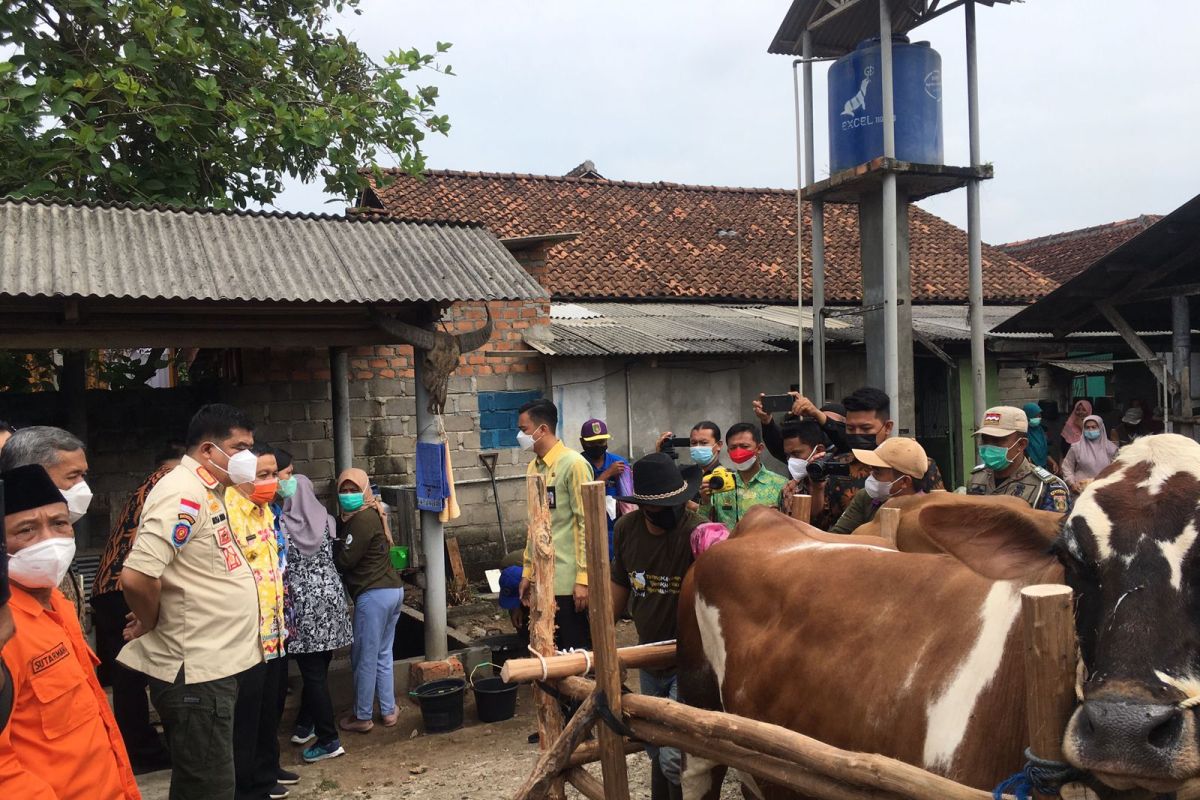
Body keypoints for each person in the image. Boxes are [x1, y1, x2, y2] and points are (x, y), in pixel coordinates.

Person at [118, 403, 263, 800]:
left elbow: (185, 572)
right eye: (240, 447)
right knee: (209, 789)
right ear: (207, 451)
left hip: (212, 665)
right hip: (196, 671)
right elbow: (137, 575)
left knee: (201, 785)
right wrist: (149, 620)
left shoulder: (208, 490)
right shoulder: (183, 494)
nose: (248, 458)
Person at [0, 463, 139, 799]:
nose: (50, 540)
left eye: (59, 523)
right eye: (26, 530)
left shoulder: (59, 605)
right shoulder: (5, 630)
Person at [611, 453, 704, 800]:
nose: (675, 510)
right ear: (645, 508)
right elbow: (619, 584)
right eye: (665, 506)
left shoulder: (696, 532)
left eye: (678, 503)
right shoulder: (626, 530)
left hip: (688, 660)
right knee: (654, 741)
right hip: (648, 655)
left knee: (672, 756)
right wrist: (604, 647)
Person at [90, 443, 183, 774]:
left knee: (126, 676)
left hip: (107, 588)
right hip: (133, 587)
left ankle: (137, 747)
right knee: (150, 672)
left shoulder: (143, 485)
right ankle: (143, 751)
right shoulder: (174, 483)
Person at [227, 446, 293, 800]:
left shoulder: (267, 512)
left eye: (273, 474)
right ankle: (246, 785)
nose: (272, 482)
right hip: (247, 636)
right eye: (263, 475)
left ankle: (267, 773)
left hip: (275, 631)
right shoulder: (228, 513)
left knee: (271, 707)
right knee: (246, 716)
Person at [279, 470, 352, 764]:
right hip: (331, 602)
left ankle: (328, 739)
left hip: (304, 608)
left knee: (312, 676)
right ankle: (305, 724)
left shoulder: (283, 525)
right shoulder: (326, 520)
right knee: (318, 671)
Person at [517, 399, 593, 651]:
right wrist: (527, 571)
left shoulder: (574, 465)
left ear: (543, 430)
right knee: (547, 652)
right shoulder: (533, 468)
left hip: (569, 583)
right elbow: (534, 526)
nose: (521, 435)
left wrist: (583, 578)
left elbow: (587, 524)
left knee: (576, 655)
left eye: (525, 429)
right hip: (542, 580)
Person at [810, 387, 944, 530]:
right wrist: (817, 488)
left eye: (866, 428)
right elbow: (819, 528)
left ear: (887, 427)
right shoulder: (834, 467)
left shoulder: (921, 465)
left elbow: (941, 516)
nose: (857, 434)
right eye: (850, 428)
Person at [334, 468, 403, 734]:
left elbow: (346, 560)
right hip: (391, 591)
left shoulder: (361, 520)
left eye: (354, 490)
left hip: (373, 595)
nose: (348, 495)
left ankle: (362, 715)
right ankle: (388, 710)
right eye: (344, 490)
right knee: (383, 653)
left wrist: (334, 553)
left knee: (364, 656)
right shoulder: (372, 513)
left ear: (364, 491)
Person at [0, 426, 92, 624]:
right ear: (32, 475)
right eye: (72, 476)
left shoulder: (64, 537)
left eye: (83, 475)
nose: (82, 487)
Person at [967, 406, 1072, 513]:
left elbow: (1055, 527)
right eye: (985, 440)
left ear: (1021, 444)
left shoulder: (1048, 488)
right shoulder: (976, 479)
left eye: (997, 440)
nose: (989, 446)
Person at [829, 438, 929, 534]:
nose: (870, 476)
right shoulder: (866, 497)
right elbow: (836, 537)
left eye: (877, 472)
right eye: (871, 470)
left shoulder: (926, 514)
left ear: (904, 481)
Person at [710, 422, 787, 528]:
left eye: (744, 446)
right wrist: (705, 501)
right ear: (728, 451)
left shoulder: (780, 485)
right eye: (733, 448)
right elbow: (707, 526)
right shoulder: (720, 484)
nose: (738, 452)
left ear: (759, 448)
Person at [578, 418, 634, 557]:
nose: (598, 446)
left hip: (615, 529)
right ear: (582, 442)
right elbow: (580, 496)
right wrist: (608, 473)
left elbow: (628, 500)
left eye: (601, 442)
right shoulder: (578, 464)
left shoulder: (619, 463)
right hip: (587, 528)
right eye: (592, 443)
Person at [654, 421, 723, 518]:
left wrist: (692, 506)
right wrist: (659, 456)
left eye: (704, 443)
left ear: (719, 445)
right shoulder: (682, 473)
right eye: (694, 443)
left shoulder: (725, 478)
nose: (698, 447)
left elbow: (725, 517)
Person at [779, 419, 827, 517]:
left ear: (818, 450)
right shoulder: (789, 489)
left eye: (796, 454)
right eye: (788, 456)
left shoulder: (840, 483)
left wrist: (818, 489)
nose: (791, 460)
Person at [1062, 415, 1118, 493]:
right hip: (1081, 489)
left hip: (1103, 490)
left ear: (1101, 428)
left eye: (1094, 427)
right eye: (1087, 428)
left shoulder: (1111, 448)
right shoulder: (1076, 447)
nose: (1090, 430)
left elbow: (1117, 470)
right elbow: (1067, 466)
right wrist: (1072, 483)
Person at [1022, 402, 1058, 474]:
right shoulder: (1022, 434)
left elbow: (1044, 451)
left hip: (1042, 469)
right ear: (1028, 416)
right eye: (1035, 416)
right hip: (1027, 470)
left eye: (1039, 415)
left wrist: (1053, 462)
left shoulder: (1040, 430)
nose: (1039, 418)